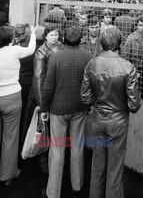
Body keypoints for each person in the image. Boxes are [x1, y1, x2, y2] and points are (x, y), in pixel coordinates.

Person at [81, 25, 141, 198]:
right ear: (119, 43)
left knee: (97, 165)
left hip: (98, 120)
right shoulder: (127, 67)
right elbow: (134, 104)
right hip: (118, 122)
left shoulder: (92, 63)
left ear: (102, 42)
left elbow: (84, 97)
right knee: (115, 169)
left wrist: (98, 104)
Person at [0, 25, 36, 192]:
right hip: (12, 98)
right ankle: (8, 175)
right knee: (10, 137)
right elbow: (31, 49)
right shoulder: (15, 51)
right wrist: (33, 33)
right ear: (11, 39)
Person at [41, 27, 90, 198]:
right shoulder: (87, 57)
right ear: (80, 39)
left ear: (64, 38)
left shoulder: (56, 56)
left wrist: (45, 108)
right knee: (77, 146)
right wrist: (88, 104)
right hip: (79, 107)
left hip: (58, 109)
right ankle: (77, 185)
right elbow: (89, 85)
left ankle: (53, 192)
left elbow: (48, 87)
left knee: (57, 149)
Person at [31, 24, 64, 173]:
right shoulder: (40, 52)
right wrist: (41, 103)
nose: (55, 37)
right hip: (46, 94)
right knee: (44, 128)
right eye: (52, 35)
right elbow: (38, 78)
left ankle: (55, 158)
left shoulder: (61, 47)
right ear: (45, 37)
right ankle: (43, 160)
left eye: (56, 34)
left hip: (59, 92)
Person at [123, 15, 143, 98]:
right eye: (140, 25)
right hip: (135, 70)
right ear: (136, 26)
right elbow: (126, 58)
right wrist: (133, 72)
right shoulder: (131, 39)